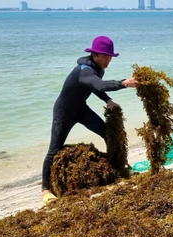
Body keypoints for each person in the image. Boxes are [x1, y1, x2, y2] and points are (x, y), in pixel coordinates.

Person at [41, 36, 139, 204]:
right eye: (105, 56)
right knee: (54, 150)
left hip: (81, 109)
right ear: (95, 54)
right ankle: (45, 190)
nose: (108, 60)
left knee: (109, 134)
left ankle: (119, 167)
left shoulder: (98, 68)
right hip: (64, 112)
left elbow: (95, 87)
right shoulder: (84, 70)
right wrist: (124, 83)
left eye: (110, 57)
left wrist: (108, 100)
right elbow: (99, 84)